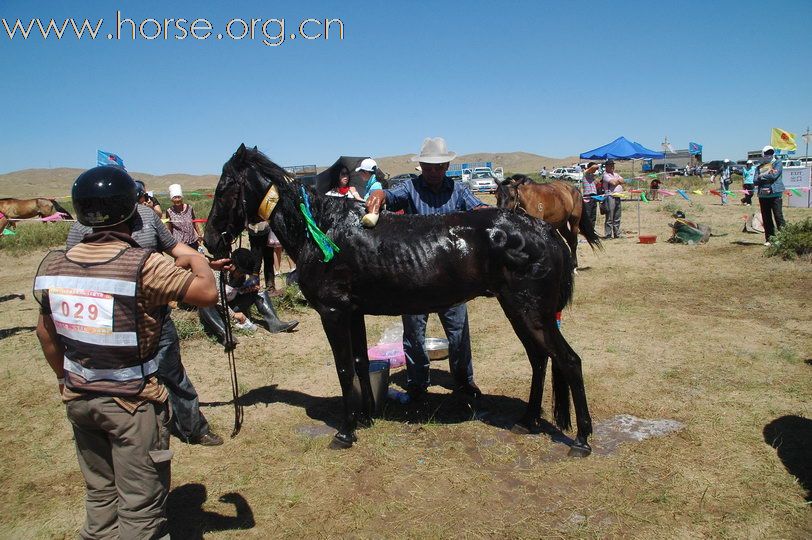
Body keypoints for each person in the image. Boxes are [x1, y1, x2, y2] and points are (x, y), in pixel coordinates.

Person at [34, 166, 218, 539]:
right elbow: (206, 293)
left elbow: (45, 332)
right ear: (133, 213)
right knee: (141, 508)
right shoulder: (141, 264)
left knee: (100, 496)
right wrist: (200, 259)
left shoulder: (55, 264)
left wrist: (61, 378)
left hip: (80, 399)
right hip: (130, 403)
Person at [67, 185, 226, 447]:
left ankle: (192, 427)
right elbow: (76, 271)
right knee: (121, 382)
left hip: (156, 314)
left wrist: (206, 261)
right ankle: (132, 432)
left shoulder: (148, 217)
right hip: (112, 320)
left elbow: (176, 248)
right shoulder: (81, 229)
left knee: (173, 374)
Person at [365, 137, 486, 400]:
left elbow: (479, 209)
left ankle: (464, 380)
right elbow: (391, 196)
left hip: (452, 279)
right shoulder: (409, 188)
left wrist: (487, 211)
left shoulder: (459, 190)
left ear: (446, 166)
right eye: (429, 167)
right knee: (414, 332)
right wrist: (379, 193)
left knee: (458, 331)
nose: (434, 172)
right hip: (414, 277)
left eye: (439, 167)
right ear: (421, 166)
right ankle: (417, 382)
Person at [198, 248, 298, 342]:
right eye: (241, 272)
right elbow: (218, 299)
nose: (242, 275)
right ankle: (225, 335)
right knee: (204, 304)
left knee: (258, 291)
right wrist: (233, 314)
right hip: (216, 310)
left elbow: (235, 292)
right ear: (233, 266)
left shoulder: (239, 276)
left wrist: (246, 289)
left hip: (230, 307)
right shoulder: (217, 273)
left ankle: (275, 324)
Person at [754, 145, 785, 246]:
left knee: (778, 216)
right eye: (766, 153)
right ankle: (770, 239)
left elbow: (774, 176)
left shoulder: (777, 163)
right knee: (766, 218)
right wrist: (765, 176)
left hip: (775, 194)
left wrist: (762, 176)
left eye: (770, 153)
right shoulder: (759, 166)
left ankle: (784, 238)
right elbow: (754, 180)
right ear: (763, 154)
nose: (768, 155)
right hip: (763, 196)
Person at [166, 184, 204, 250]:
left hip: (192, 240)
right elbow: (170, 227)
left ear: (182, 197)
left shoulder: (189, 208)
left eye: (179, 197)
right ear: (171, 199)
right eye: (175, 197)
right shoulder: (169, 211)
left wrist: (199, 235)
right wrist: (170, 241)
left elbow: (194, 222)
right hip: (179, 243)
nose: (177, 199)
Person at [601, 160, 624, 239]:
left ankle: (617, 233)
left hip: (617, 196)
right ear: (606, 166)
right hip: (610, 196)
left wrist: (617, 181)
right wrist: (618, 181)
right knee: (610, 216)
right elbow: (613, 183)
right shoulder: (605, 175)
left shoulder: (616, 174)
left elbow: (622, 180)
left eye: (613, 165)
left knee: (617, 216)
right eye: (610, 165)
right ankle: (608, 234)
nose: (612, 167)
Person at [581, 162, 600, 228]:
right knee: (587, 216)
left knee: (593, 216)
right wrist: (598, 165)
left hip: (594, 197)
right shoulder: (585, 173)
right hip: (587, 198)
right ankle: (586, 231)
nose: (595, 170)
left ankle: (592, 231)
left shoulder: (592, 176)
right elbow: (593, 167)